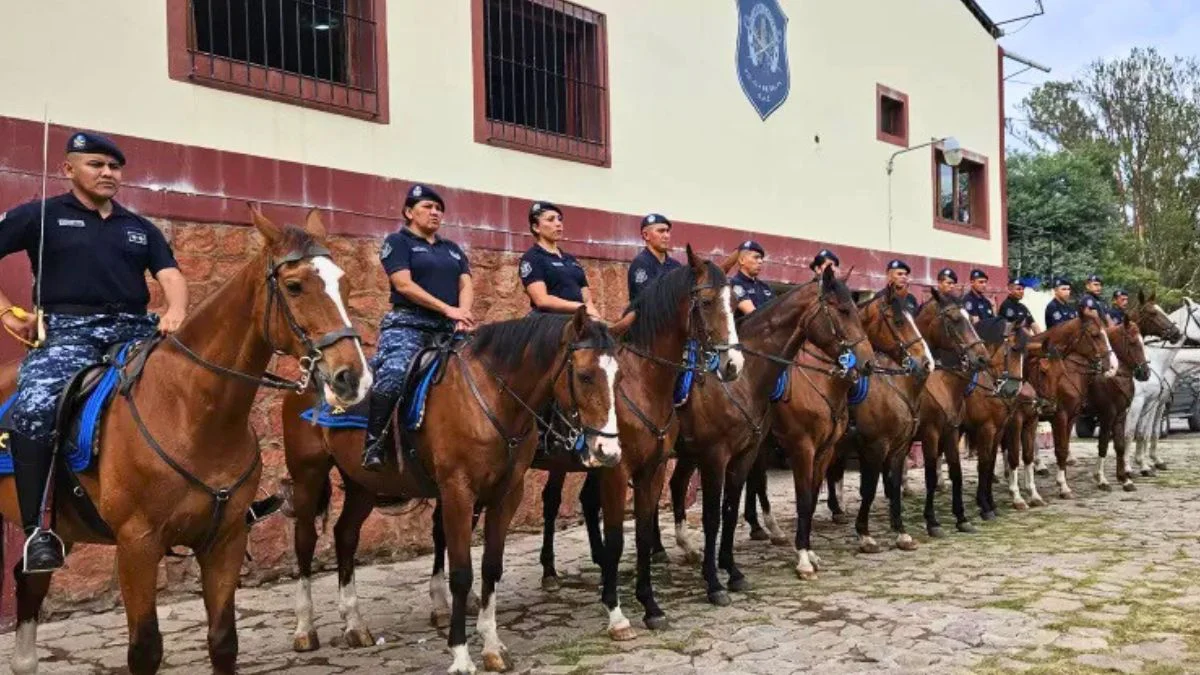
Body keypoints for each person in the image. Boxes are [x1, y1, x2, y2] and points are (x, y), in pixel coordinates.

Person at [0, 131, 189, 572]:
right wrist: (8, 311)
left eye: (114, 167)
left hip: (134, 329)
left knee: (200, 382)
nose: (108, 173)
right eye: (96, 164)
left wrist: (176, 310)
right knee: (34, 406)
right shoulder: (40, 216)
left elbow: (171, 276)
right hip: (69, 332)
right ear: (69, 169)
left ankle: (224, 498)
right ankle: (39, 530)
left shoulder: (139, 228)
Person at [362, 184, 474, 472]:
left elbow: (466, 283)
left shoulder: (451, 249)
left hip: (449, 328)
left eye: (438, 209)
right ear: (409, 212)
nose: (435, 212)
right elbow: (403, 284)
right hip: (408, 325)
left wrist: (462, 314)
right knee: (394, 374)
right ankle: (374, 443)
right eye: (428, 207)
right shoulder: (398, 242)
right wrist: (447, 308)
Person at [520, 202, 601, 319]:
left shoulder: (570, 259)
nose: (558, 224)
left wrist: (593, 315)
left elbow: (587, 299)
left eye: (559, 219)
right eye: (550, 220)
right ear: (536, 227)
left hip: (577, 320)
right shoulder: (532, 258)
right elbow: (542, 300)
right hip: (548, 322)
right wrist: (581, 307)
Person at [627, 213, 680, 302]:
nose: (666, 236)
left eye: (668, 231)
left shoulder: (676, 266)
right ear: (646, 235)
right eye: (661, 231)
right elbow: (647, 301)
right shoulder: (640, 264)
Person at [730, 240, 774, 316]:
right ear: (742, 260)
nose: (760, 261)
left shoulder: (765, 287)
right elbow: (753, 316)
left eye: (761, 258)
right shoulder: (735, 284)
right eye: (756, 257)